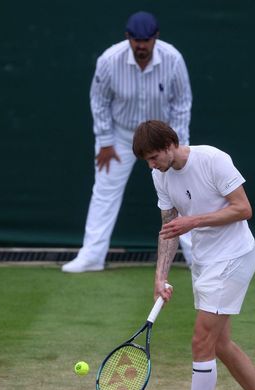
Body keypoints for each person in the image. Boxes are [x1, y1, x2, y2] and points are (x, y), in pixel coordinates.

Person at [132, 120, 255, 390]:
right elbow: (169, 229)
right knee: (221, 344)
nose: (151, 164)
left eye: (154, 156)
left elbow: (243, 208)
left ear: (171, 143)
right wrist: (159, 276)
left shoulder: (213, 160)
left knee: (201, 341)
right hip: (205, 262)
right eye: (146, 160)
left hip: (233, 258)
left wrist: (194, 220)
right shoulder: (159, 176)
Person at [62, 11, 193, 273]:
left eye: (146, 40)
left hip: (161, 140)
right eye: (136, 40)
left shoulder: (173, 59)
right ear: (128, 38)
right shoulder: (109, 60)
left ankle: (195, 258)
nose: (141, 46)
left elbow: (182, 103)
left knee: (183, 194)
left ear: (155, 38)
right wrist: (105, 141)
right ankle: (92, 256)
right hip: (120, 137)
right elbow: (99, 101)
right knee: (104, 192)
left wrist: (175, 145)